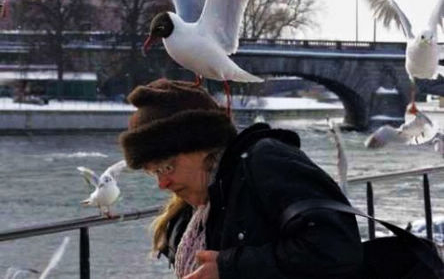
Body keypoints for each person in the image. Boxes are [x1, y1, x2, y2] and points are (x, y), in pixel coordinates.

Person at [119, 78, 364, 279]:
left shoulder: (265, 162)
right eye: (153, 173)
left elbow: (337, 248)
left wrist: (230, 268)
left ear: (203, 146)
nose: (162, 184)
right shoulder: (188, 218)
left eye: (166, 167)